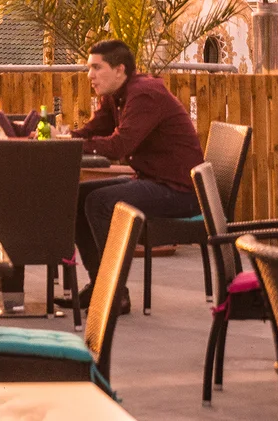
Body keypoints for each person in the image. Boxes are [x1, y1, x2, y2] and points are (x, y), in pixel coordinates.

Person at [72, 39, 204, 297]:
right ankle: (100, 287)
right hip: (153, 181)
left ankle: (114, 294)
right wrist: (63, 137)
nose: (90, 75)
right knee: (79, 197)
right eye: (89, 68)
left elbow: (119, 146)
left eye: (97, 68)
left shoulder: (144, 94)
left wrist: (72, 144)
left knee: (99, 202)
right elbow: (92, 131)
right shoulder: (115, 96)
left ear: (119, 69)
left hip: (181, 191)